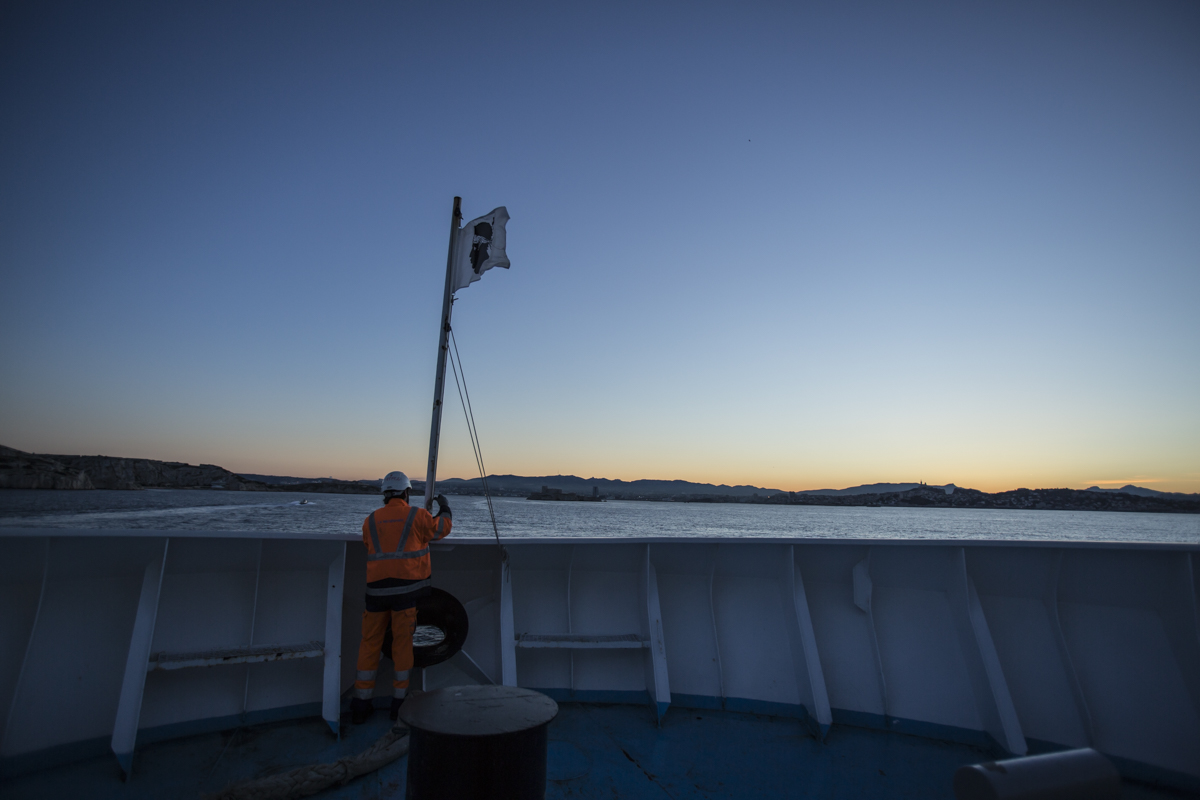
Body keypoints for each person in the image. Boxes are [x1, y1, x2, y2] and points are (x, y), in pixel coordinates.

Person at [350, 471, 452, 724]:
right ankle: (398, 702)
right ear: (407, 492)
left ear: (385, 494)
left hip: (376, 593)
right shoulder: (417, 516)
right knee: (402, 644)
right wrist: (445, 507)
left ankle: (361, 704)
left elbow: (368, 544)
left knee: (369, 643)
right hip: (406, 593)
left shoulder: (370, 520)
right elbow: (441, 529)